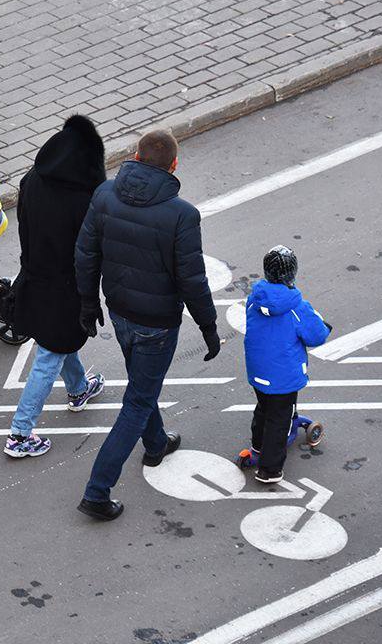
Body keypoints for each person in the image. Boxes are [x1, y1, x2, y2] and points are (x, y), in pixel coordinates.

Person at [74, 128, 220, 520]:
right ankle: (97, 490)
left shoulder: (104, 194)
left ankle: (156, 443)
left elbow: (85, 253)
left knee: (141, 384)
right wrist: (208, 326)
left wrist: (88, 303)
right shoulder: (182, 215)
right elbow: (192, 278)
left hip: (118, 310)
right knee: (137, 401)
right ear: (174, 165)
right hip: (157, 323)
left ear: (136, 156)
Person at [4, 115, 108, 458]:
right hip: (66, 287)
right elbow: (90, 252)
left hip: (35, 276)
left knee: (59, 340)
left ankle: (78, 389)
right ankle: (20, 432)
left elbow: (24, 229)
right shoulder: (85, 198)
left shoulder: (32, 180)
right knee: (50, 354)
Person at [240, 246, 331, 483]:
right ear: (293, 273)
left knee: (263, 409)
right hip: (283, 377)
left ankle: (257, 450)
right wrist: (324, 326)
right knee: (280, 420)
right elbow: (316, 335)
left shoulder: (254, 299)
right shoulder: (296, 307)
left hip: (258, 371)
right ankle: (270, 470)